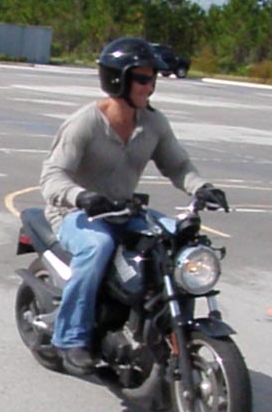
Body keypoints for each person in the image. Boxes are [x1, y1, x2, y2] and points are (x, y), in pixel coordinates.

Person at [39, 37, 229, 376]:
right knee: (98, 246)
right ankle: (69, 339)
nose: (150, 86)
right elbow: (52, 176)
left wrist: (202, 187)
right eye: (142, 78)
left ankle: (169, 328)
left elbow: (177, 165)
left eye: (152, 78)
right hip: (74, 213)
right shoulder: (86, 123)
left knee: (179, 239)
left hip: (124, 211)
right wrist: (81, 196)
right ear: (118, 79)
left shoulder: (153, 123)